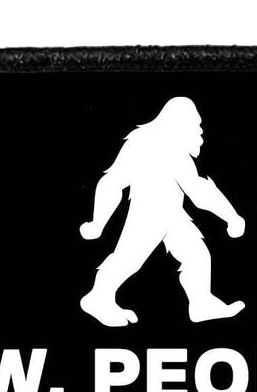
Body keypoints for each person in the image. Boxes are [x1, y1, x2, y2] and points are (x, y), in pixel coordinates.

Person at [80, 96, 245, 327]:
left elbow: (198, 190)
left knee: (197, 255)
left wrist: (232, 216)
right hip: (149, 215)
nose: (200, 132)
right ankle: (97, 298)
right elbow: (113, 182)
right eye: (196, 126)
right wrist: (98, 222)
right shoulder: (156, 145)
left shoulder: (168, 147)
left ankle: (202, 303)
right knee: (128, 260)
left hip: (172, 215)